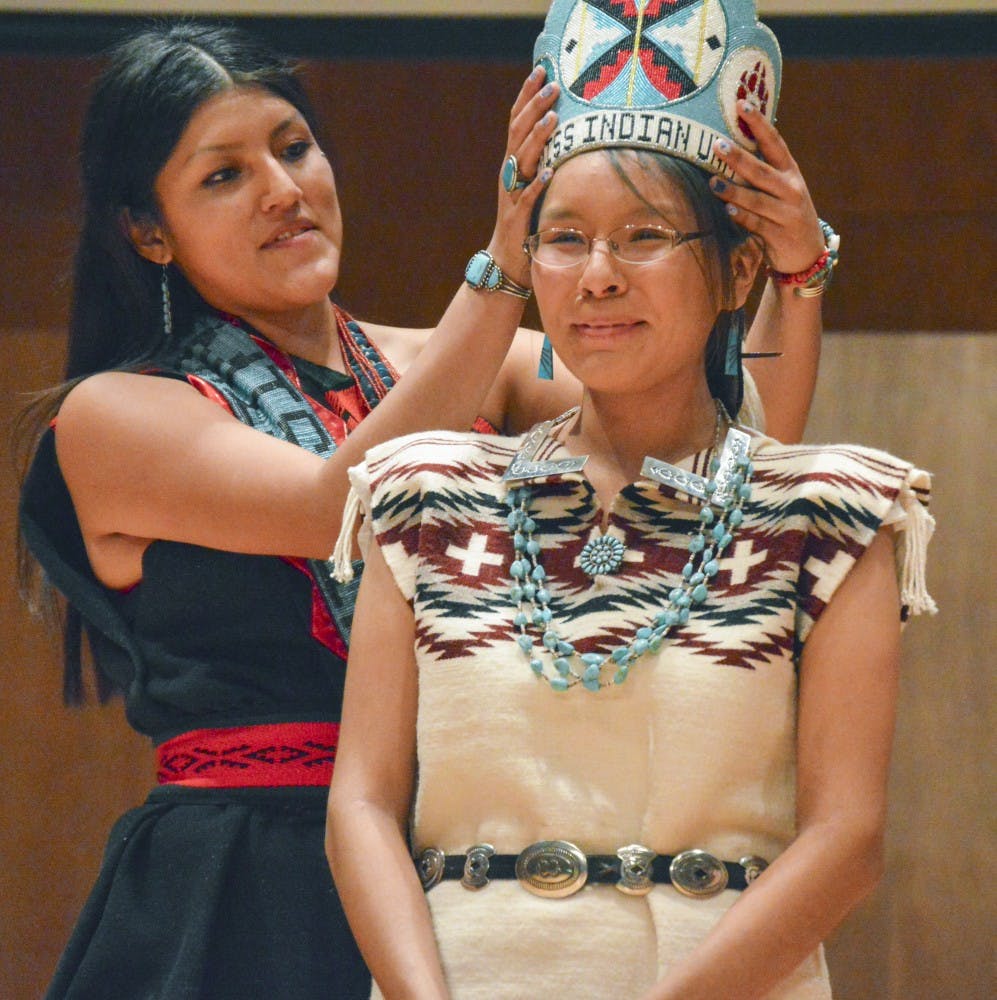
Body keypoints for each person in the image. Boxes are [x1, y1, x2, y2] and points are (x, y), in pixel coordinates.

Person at [17, 16, 824, 1000]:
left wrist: (791, 270)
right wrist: (506, 261)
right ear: (148, 228)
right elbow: (343, 500)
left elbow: (731, 445)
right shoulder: (111, 416)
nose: (283, 189)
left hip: (463, 861)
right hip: (249, 880)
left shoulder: (458, 360)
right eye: (222, 175)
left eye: (292, 146)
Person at [324, 3, 936, 998]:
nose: (597, 276)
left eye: (643, 235)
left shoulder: (833, 512)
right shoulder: (419, 496)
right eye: (563, 239)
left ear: (738, 267)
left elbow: (848, 840)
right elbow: (360, 801)